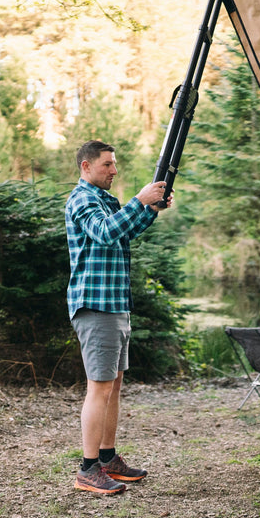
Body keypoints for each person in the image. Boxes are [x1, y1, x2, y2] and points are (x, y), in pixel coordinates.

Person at [66, 140, 173, 495]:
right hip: (95, 306)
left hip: (114, 306)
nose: (114, 170)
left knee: (113, 386)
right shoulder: (83, 200)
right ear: (86, 167)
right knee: (99, 389)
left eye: (114, 164)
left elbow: (122, 233)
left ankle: (108, 458)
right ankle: (87, 469)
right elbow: (105, 232)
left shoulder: (103, 201)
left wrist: (150, 210)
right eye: (107, 164)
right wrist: (139, 200)